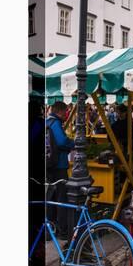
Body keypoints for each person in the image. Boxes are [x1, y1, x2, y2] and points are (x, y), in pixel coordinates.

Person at [46, 101, 75, 240]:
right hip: (59, 165)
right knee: (61, 198)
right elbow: (61, 142)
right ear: (61, 111)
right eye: (66, 112)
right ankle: (63, 231)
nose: (67, 114)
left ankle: (50, 228)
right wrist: (73, 143)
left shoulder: (46, 122)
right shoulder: (55, 123)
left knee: (50, 197)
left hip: (49, 165)